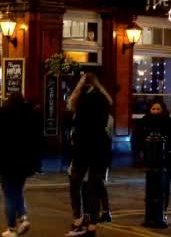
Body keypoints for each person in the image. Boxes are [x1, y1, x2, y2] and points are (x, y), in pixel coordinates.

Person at [64, 73, 113, 237]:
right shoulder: (104, 99)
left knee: (75, 183)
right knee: (93, 186)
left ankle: (78, 221)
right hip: (100, 149)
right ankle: (92, 226)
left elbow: (77, 126)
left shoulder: (82, 98)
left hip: (83, 148)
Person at [0, 92, 40, 237]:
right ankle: (23, 218)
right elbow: (35, 138)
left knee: (9, 194)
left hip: (7, 160)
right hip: (24, 162)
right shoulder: (29, 115)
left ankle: (11, 228)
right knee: (17, 191)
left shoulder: (3, 114)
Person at [139, 100, 171, 228]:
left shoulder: (170, 123)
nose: (155, 111)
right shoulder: (144, 122)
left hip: (166, 161)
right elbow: (138, 140)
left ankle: (162, 215)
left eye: (158, 109)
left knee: (163, 188)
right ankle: (150, 217)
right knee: (150, 190)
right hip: (151, 162)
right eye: (153, 109)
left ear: (163, 110)